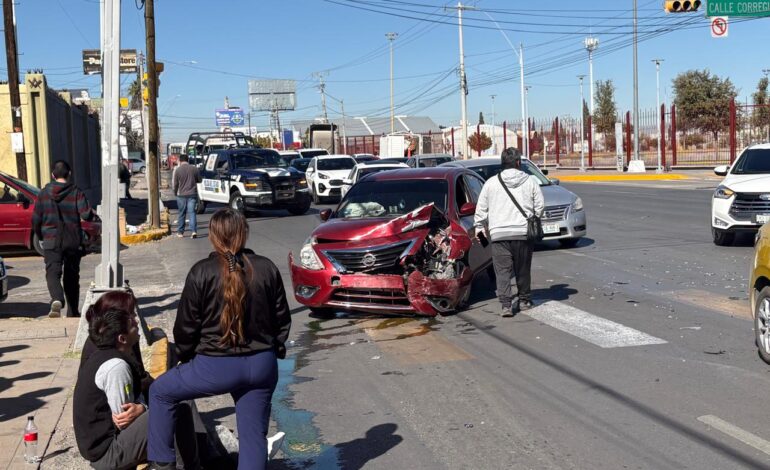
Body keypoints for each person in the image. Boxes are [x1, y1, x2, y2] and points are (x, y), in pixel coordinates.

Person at [147, 208, 291, 470]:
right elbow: (282, 320)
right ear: (243, 233)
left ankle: (162, 465)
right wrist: (273, 351)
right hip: (262, 365)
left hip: (214, 366)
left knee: (159, 392)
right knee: (252, 438)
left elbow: (185, 328)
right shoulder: (266, 267)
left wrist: (187, 355)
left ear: (213, 236)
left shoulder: (201, 272)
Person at [73, 294, 199, 470]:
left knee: (176, 402)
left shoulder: (110, 352)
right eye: (132, 322)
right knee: (175, 408)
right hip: (109, 454)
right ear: (122, 338)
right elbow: (124, 420)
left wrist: (144, 406)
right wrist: (145, 408)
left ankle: (196, 459)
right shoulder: (116, 366)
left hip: (108, 446)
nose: (137, 322)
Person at [474, 147, 544, 317]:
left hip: (499, 235)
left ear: (502, 164)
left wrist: (479, 227)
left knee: (503, 271)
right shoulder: (530, 181)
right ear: (518, 163)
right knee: (523, 269)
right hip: (523, 233)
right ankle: (524, 300)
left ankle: (506, 305)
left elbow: (481, 207)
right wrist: (532, 217)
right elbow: (540, 206)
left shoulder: (491, 183)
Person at [32, 160, 95, 318]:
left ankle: (57, 298)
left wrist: (41, 236)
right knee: (72, 276)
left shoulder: (43, 193)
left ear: (53, 175)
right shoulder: (76, 192)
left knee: (52, 272)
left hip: (51, 239)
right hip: (72, 239)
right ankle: (73, 312)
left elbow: (35, 219)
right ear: (69, 174)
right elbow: (86, 214)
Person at [172, 154, 202, 239]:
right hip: (192, 194)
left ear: (180, 161)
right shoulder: (194, 169)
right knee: (192, 212)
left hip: (181, 195)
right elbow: (200, 180)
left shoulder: (178, 170)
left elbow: (176, 184)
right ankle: (193, 231)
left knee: (182, 213)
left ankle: (180, 232)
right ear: (187, 160)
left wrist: (175, 192)